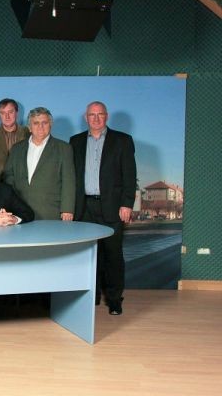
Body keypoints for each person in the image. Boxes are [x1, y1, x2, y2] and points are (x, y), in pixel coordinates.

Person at [70, 101, 137, 315]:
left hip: (112, 207)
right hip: (84, 207)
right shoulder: (75, 141)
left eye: (100, 114)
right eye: (92, 115)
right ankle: (93, 296)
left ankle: (115, 300)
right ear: (86, 117)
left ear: (106, 116)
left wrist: (127, 203)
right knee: (90, 256)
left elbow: (129, 175)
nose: (96, 118)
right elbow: (72, 178)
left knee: (113, 255)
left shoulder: (122, 141)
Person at [3, 107, 75, 221]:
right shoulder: (17, 148)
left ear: (50, 125)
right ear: (29, 127)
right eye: (36, 123)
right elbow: (8, 176)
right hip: (20, 212)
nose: (40, 127)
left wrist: (67, 209)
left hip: (50, 211)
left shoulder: (63, 148)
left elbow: (68, 181)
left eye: (44, 123)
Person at [0, 98, 30, 179]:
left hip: (24, 181)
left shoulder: (29, 133)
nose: (7, 116)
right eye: (3, 113)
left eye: (10, 112)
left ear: (17, 113)